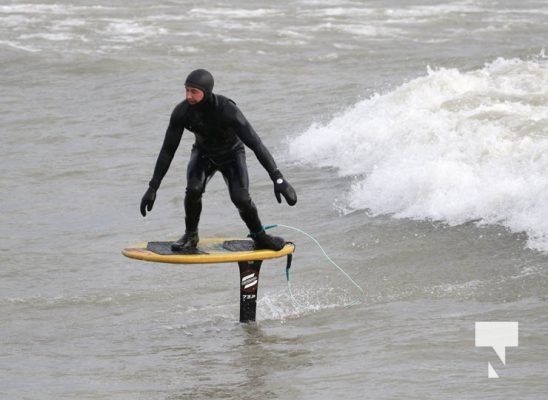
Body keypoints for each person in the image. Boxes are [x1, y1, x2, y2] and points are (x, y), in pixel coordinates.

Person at [140, 69, 297, 251]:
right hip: (203, 153)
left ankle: (260, 237)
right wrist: (153, 187)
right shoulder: (182, 112)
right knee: (193, 189)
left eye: (194, 91)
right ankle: (191, 235)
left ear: (206, 92)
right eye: (186, 90)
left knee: (241, 199)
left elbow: (256, 144)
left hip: (232, 154)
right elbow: (168, 150)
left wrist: (278, 178)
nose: (188, 96)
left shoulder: (227, 110)